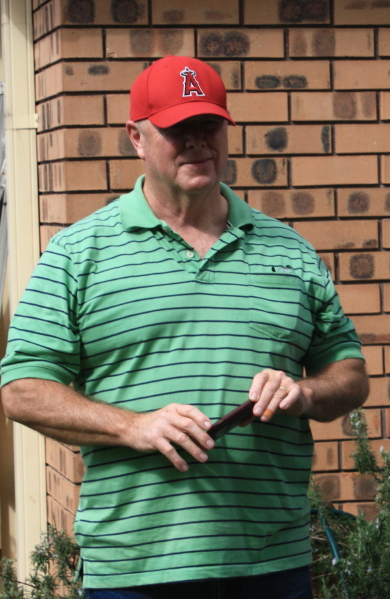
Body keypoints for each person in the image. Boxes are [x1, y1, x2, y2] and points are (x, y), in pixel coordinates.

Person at [1, 55, 369, 599]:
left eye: (209, 126)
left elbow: (351, 374)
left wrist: (305, 391)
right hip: (134, 569)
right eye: (178, 129)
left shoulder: (290, 251)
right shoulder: (78, 253)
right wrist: (134, 426)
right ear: (136, 138)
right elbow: (23, 390)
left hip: (271, 564)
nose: (198, 142)